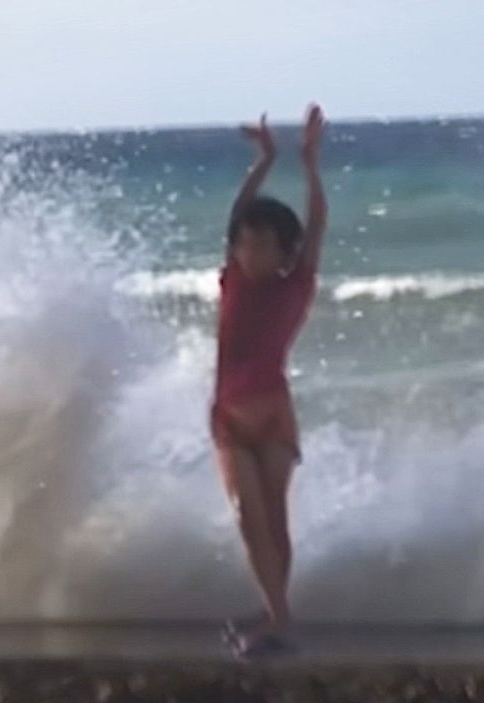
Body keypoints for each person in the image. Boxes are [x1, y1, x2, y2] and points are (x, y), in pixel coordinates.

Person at [212, 104, 326, 658]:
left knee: (273, 518)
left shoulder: (295, 286)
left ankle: (277, 616)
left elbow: (318, 224)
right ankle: (275, 611)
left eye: (264, 244)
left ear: (285, 252)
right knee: (245, 513)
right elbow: (238, 212)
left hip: (275, 415)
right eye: (245, 242)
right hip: (230, 418)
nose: (251, 251)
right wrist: (266, 159)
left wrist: (309, 163)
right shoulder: (232, 280)